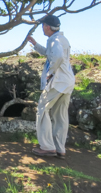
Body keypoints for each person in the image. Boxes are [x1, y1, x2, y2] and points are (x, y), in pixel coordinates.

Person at [26, 14, 75, 159]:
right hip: (67, 81)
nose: (42, 28)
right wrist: (35, 44)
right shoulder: (60, 39)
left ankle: (47, 147)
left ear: (47, 26)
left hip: (58, 82)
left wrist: (50, 73)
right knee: (60, 115)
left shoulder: (55, 40)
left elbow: (58, 56)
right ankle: (60, 149)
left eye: (43, 25)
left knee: (42, 109)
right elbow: (50, 53)